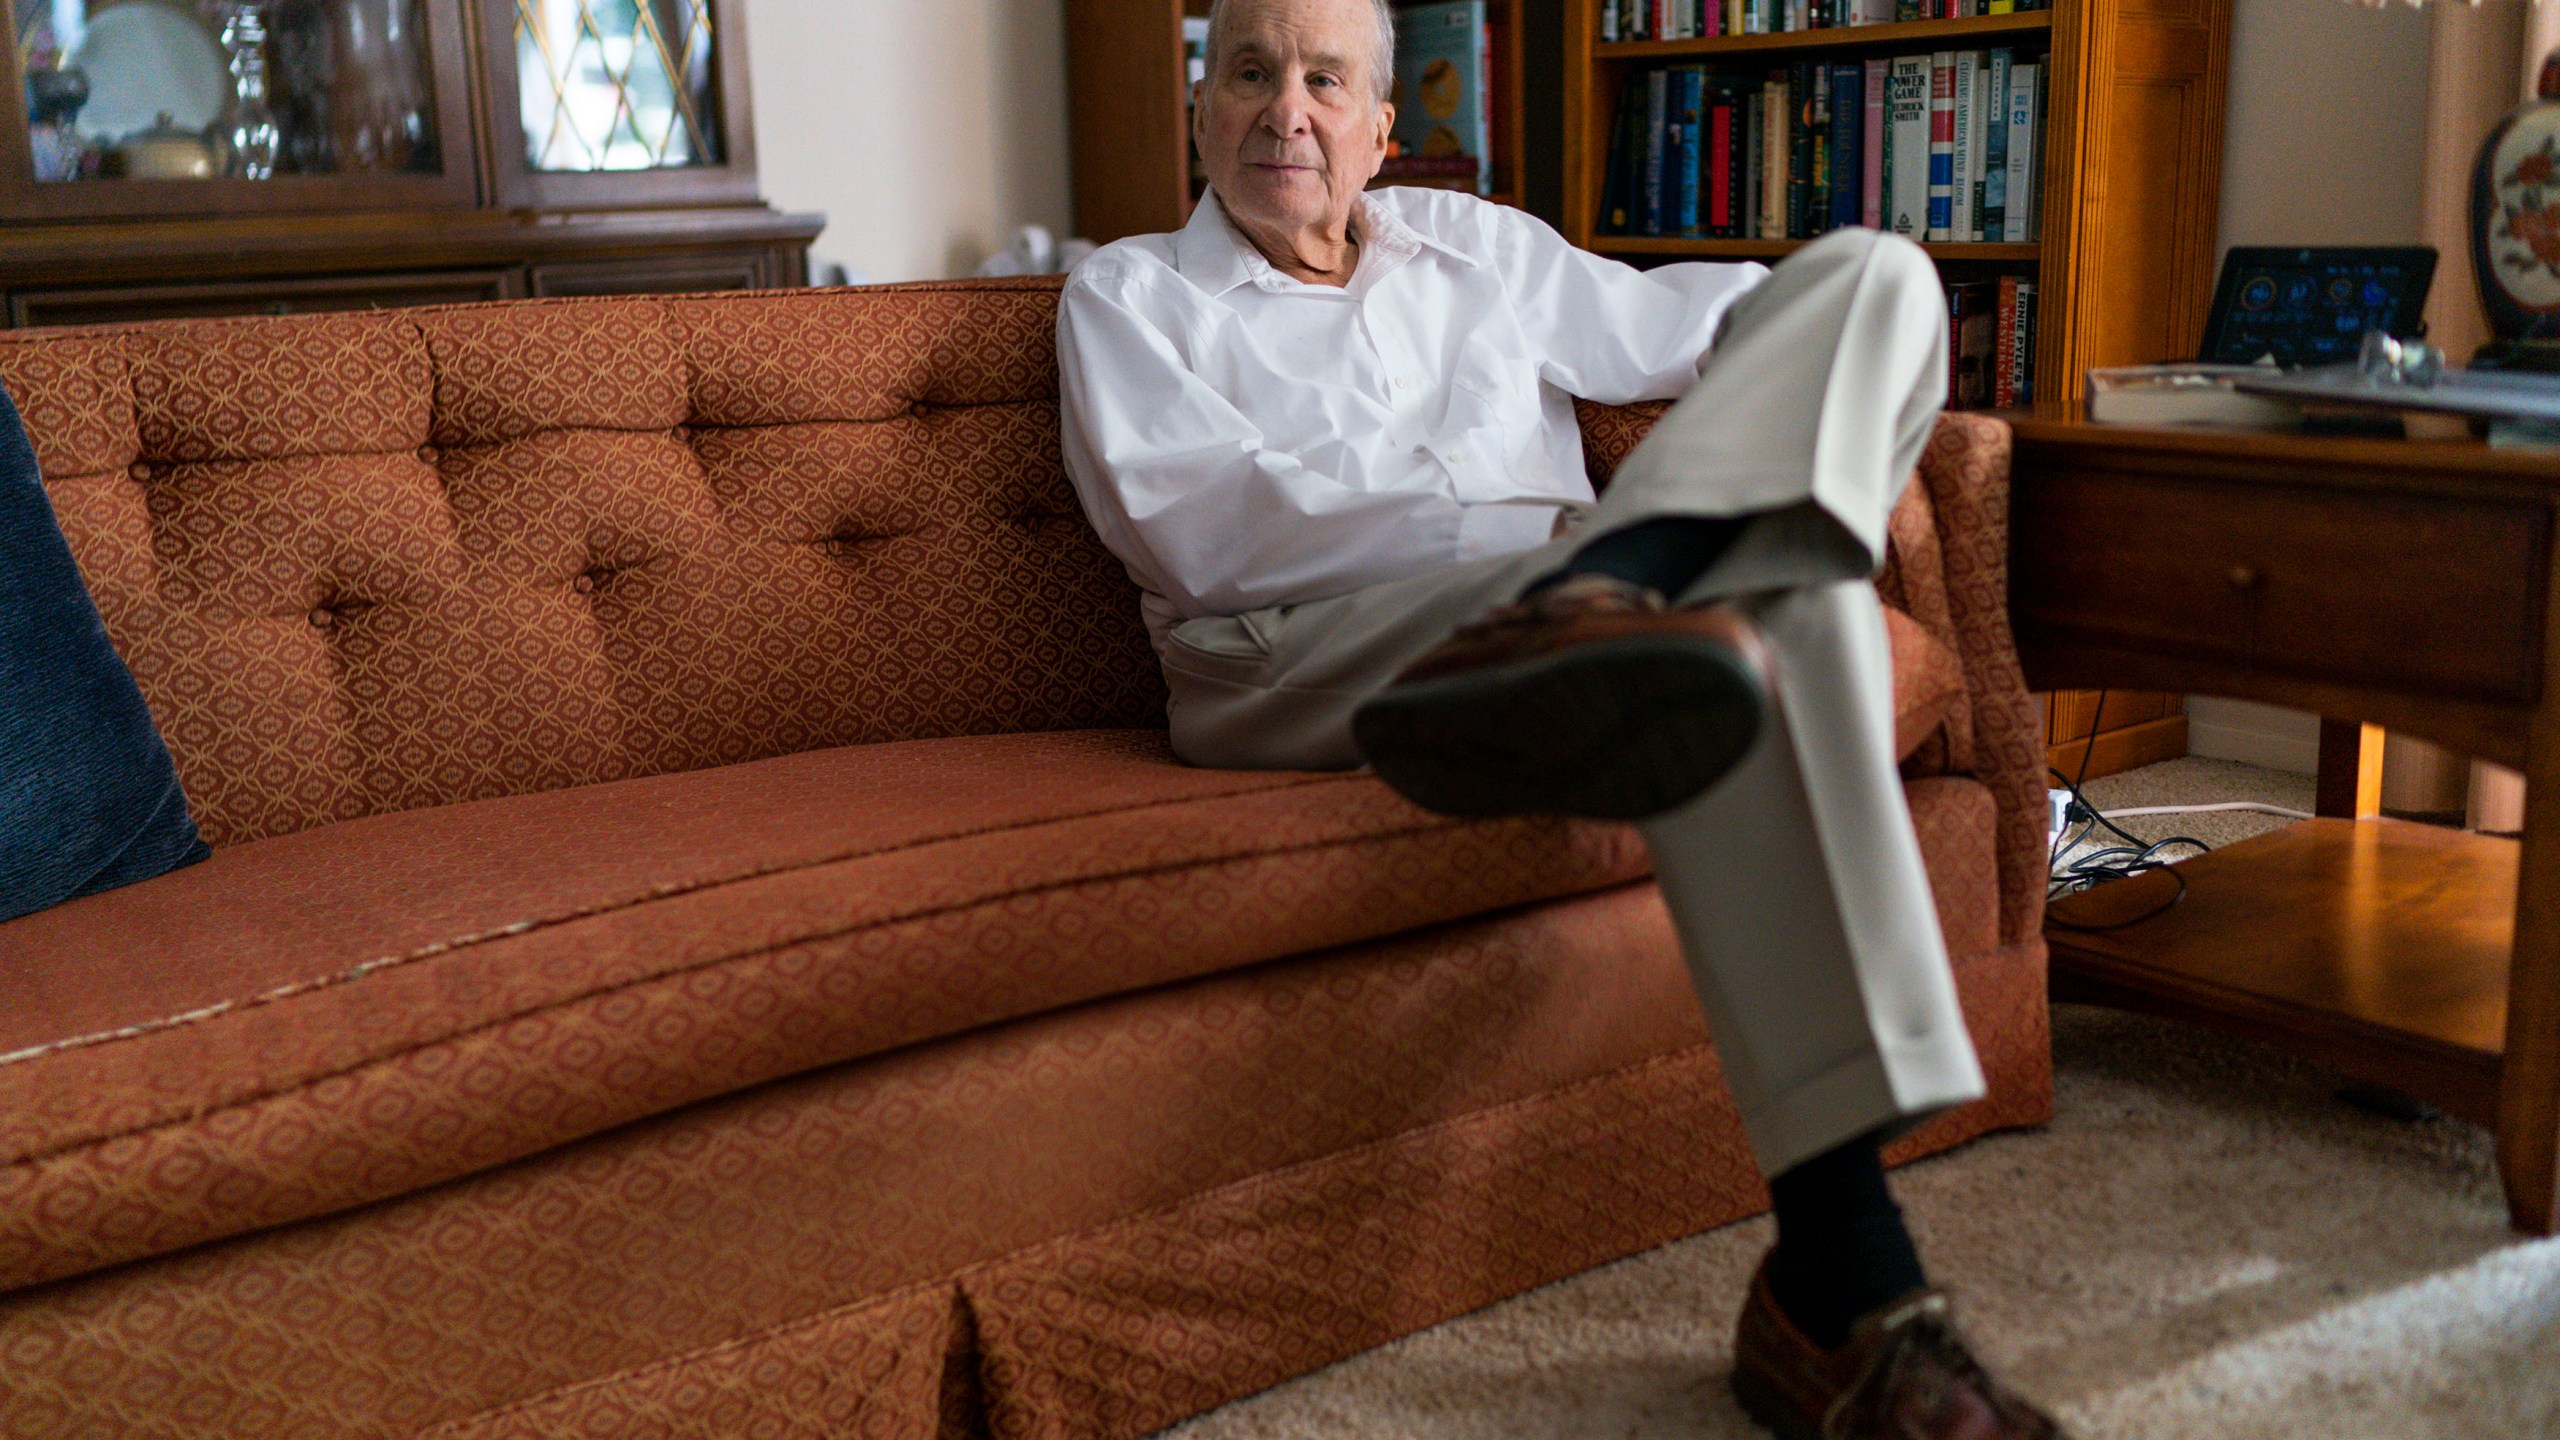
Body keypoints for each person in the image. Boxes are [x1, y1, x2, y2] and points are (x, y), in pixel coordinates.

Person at [1055, 1, 2061, 1435]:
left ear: (1383, 131)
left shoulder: (1485, 254)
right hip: (1284, 654)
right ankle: (1847, 1272)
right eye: (1252, 75)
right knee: (1761, 601)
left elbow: (1727, 322)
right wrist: (1559, 539)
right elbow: (1217, 537)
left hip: (1550, 609)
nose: (1289, 110)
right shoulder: (1127, 297)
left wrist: (1756, 427)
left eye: (1326, 80)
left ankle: (1844, 1280)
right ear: (1201, 111)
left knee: (1877, 286)